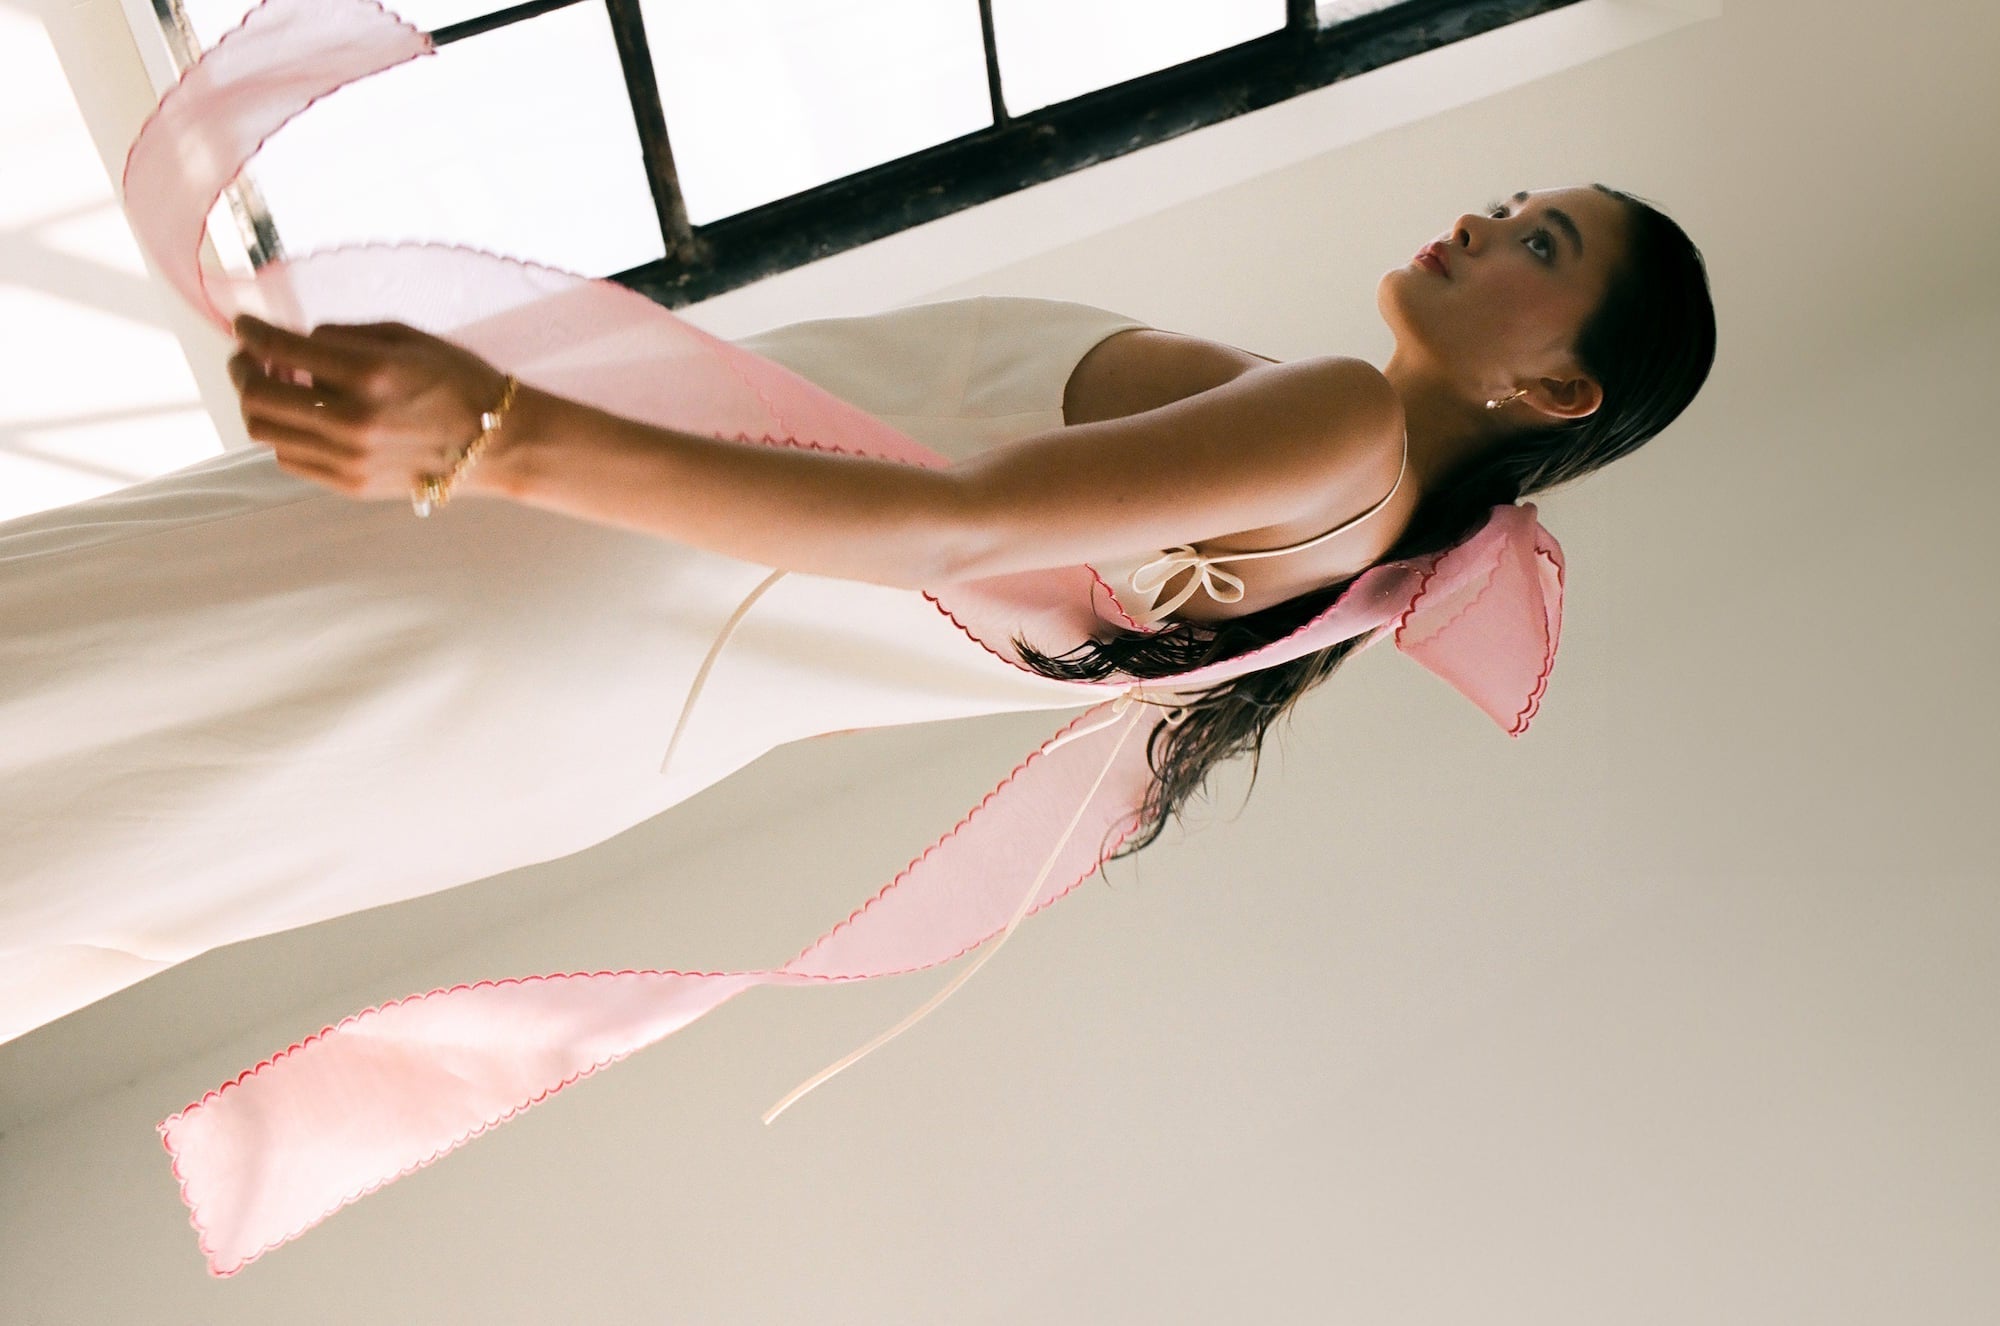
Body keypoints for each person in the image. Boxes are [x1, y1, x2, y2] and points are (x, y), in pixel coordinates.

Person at [3, 0, 1715, 1273]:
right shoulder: (1310, 561)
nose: (1486, 222)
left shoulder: (1344, 430)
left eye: (1540, 241)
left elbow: (950, 521)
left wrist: (494, 431)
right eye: (1512, 198)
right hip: (581, 691)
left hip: (555, 564)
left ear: (1553, 385)